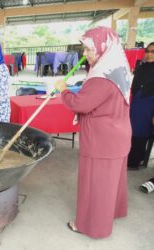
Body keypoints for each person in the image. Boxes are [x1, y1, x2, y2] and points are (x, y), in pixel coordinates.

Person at [54, 26, 132, 238]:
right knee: (110, 182)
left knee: (95, 185)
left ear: (103, 47)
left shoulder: (101, 77)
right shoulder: (118, 68)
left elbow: (80, 103)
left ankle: (89, 225)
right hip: (118, 135)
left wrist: (63, 89)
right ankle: (111, 213)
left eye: (89, 49)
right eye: (84, 49)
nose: (85, 54)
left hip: (101, 141)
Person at [127, 42, 154, 170]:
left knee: (141, 131)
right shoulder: (142, 66)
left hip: (149, 104)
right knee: (132, 130)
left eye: (152, 52)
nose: (149, 54)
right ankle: (135, 157)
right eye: (147, 51)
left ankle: (134, 161)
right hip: (137, 101)